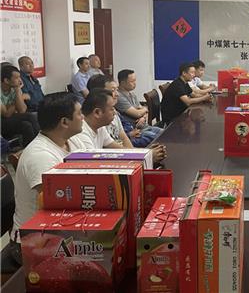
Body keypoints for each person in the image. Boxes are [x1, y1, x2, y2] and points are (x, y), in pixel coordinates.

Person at [9, 92, 87, 263]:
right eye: (79, 113)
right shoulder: (40, 156)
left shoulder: (73, 141)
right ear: (64, 122)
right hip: (33, 241)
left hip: (59, 231)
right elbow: (55, 206)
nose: (83, 117)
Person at [86, 76, 167, 163]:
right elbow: (101, 164)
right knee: (157, 137)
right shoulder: (89, 131)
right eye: (112, 90)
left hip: (127, 150)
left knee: (162, 135)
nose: (117, 94)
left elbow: (125, 147)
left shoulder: (102, 126)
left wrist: (145, 154)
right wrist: (145, 157)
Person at [117, 69, 163, 139]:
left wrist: (143, 117)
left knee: (165, 132)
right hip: (135, 131)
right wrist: (143, 110)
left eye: (135, 80)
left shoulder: (132, 94)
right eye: (132, 81)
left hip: (144, 126)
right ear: (123, 83)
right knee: (160, 137)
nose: (135, 83)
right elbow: (137, 113)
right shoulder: (119, 97)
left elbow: (144, 111)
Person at [1, 65, 40, 146]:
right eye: (16, 78)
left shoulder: (15, 88)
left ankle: (29, 149)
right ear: (6, 80)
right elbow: (6, 114)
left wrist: (18, 90)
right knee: (31, 116)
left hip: (11, 119)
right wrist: (21, 97)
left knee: (26, 126)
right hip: (2, 123)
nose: (20, 80)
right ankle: (41, 143)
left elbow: (22, 110)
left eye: (20, 77)